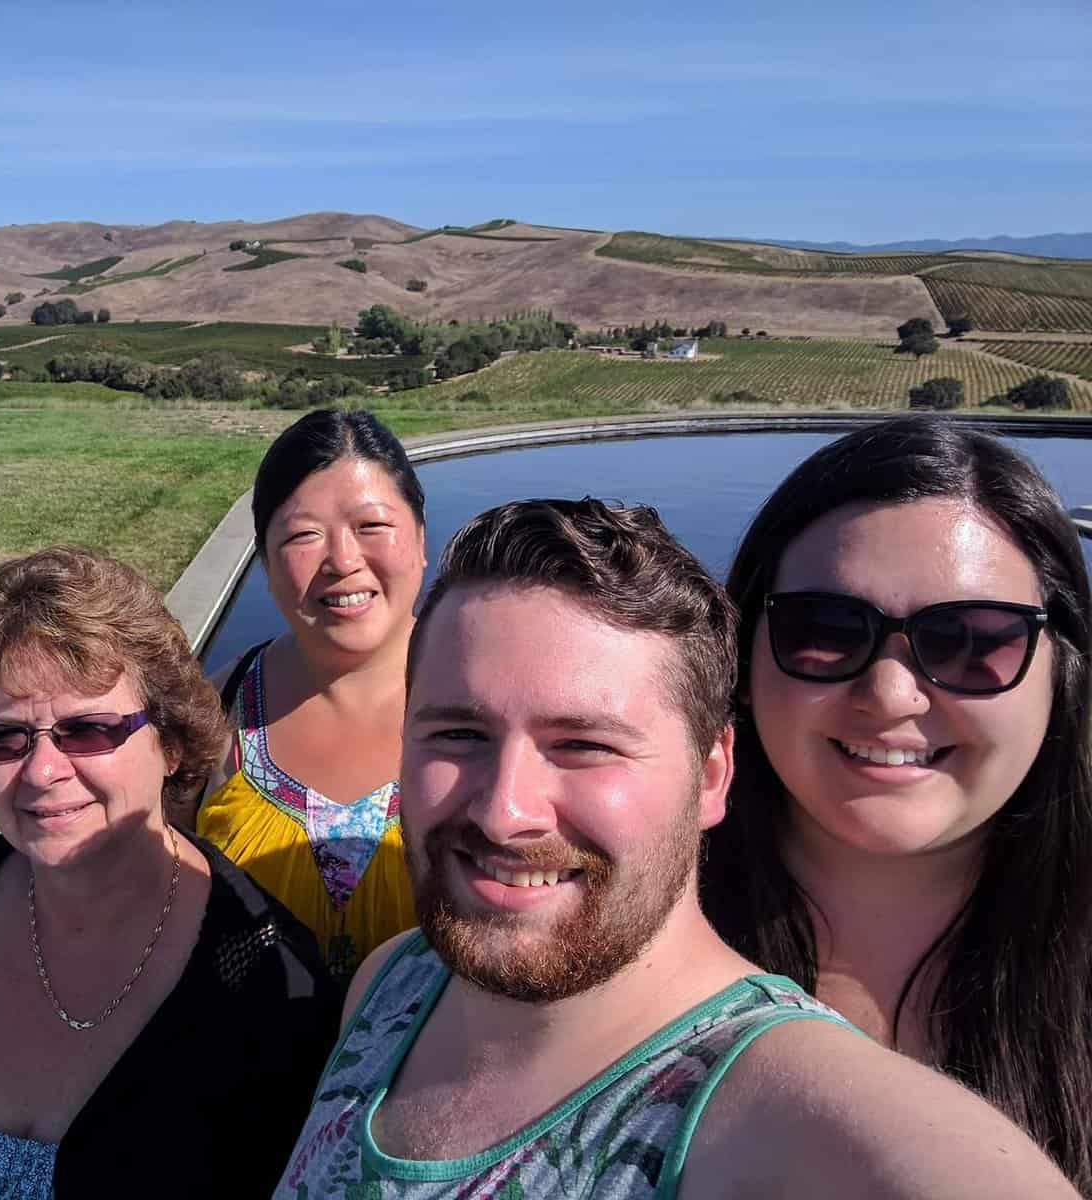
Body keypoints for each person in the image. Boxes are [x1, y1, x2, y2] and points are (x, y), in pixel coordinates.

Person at [275, 498, 1076, 1199]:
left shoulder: (783, 1112)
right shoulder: (389, 984)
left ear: (711, 776)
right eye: (458, 733)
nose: (503, 811)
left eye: (584, 744)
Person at [0, 547, 340, 1200]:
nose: (42, 771)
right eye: (6, 736)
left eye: (86, 730)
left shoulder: (273, 990)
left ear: (169, 742)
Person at [701, 415, 1092, 1192]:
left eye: (974, 641)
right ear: (743, 660)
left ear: (1062, 672)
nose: (889, 694)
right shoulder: (626, 923)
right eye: (822, 631)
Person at [193, 409, 428, 984]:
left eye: (371, 526)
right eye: (303, 535)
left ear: (421, 540)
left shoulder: (499, 698)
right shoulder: (215, 709)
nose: (343, 561)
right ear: (265, 566)